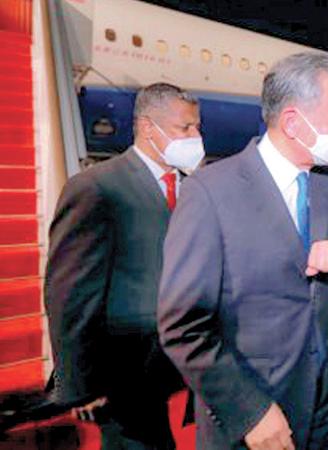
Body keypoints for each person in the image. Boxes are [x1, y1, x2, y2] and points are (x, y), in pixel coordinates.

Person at [157, 52, 328, 450]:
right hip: (253, 412)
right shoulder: (212, 191)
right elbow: (183, 325)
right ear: (292, 122)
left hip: (325, 400)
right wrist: (248, 411)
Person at [44, 82, 204, 449]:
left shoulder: (192, 187)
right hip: (122, 369)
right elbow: (69, 293)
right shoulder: (97, 187)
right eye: (186, 128)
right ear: (149, 128)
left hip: (179, 361)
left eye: (197, 127)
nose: (196, 136)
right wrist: (81, 382)